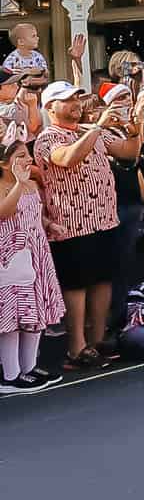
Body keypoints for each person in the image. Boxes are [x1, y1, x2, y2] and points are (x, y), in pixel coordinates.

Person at [36, 80, 139, 367]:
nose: (76, 105)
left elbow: (127, 152)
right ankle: (76, 347)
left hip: (104, 219)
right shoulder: (48, 137)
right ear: (50, 107)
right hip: (71, 223)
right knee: (77, 285)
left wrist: (135, 130)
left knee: (103, 280)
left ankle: (97, 340)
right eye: (67, 100)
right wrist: (96, 127)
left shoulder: (87, 131)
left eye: (77, 99)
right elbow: (67, 159)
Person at [0, 140, 65, 393]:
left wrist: (49, 225)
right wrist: (17, 182)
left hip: (37, 254)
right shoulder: (9, 186)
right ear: (4, 163)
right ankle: (10, 374)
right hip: (10, 257)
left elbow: (34, 213)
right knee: (12, 316)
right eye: (21, 156)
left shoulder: (30, 184)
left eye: (28, 155)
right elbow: (4, 211)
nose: (28, 160)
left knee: (34, 312)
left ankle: (28, 368)